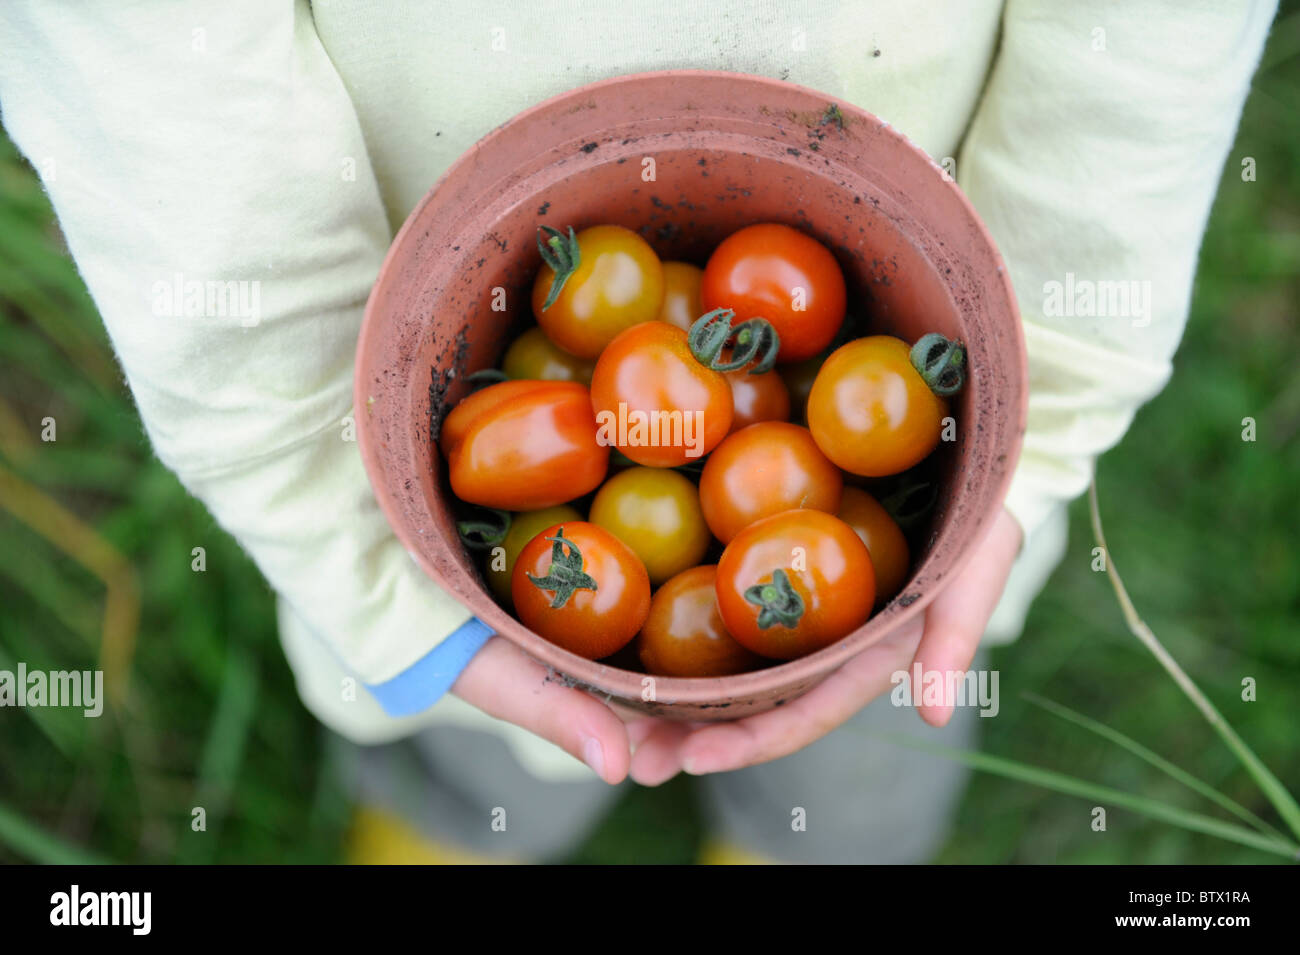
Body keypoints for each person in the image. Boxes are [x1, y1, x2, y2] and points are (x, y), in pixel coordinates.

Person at [0, 0, 1275, 863]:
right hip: (400, 449)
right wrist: (332, 505)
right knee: (460, 748)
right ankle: (465, 820)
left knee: (864, 765)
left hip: (890, 592)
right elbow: (139, 74)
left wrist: (1040, 389)